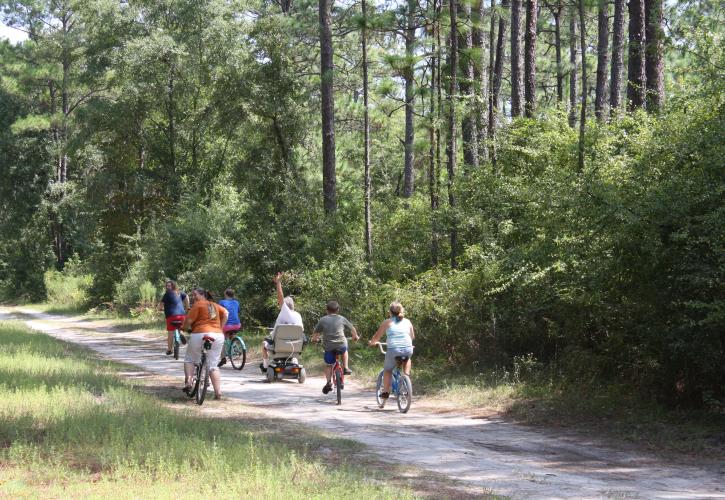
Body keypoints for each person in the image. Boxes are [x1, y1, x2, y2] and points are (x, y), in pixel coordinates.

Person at [182, 287, 228, 400]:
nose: (193, 297)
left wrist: (183, 328)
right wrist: (220, 328)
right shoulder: (214, 305)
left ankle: (189, 382)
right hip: (217, 335)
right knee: (213, 365)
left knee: (190, 359)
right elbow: (226, 313)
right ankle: (218, 393)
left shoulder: (198, 305)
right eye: (192, 295)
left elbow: (188, 321)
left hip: (200, 333)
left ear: (202, 295)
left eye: (195, 295)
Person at [368, 301, 415, 404]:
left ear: (390, 312)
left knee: (388, 370)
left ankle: (385, 391)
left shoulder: (387, 322)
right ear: (401, 310)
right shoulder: (407, 321)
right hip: (408, 348)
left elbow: (377, 337)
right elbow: (412, 337)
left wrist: (372, 343)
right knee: (407, 358)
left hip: (393, 349)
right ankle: (406, 378)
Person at [312, 300, 359, 394]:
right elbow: (352, 328)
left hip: (328, 346)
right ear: (338, 310)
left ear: (327, 310)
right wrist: (355, 337)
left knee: (328, 364)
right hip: (341, 344)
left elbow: (315, 333)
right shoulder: (341, 318)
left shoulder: (323, 320)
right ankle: (345, 367)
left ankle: (328, 382)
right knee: (344, 349)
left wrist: (314, 339)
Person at [260, 272, 304, 372]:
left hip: (279, 346)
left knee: (264, 343)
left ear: (285, 306)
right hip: (295, 347)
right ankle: (294, 359)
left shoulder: (286, 312)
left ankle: (265, 367)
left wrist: (278, 282)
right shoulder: (298, 315)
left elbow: (280, 297)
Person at [158, 280, 190, 355]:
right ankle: (181, 333)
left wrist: (161, 309)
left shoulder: (166, 295)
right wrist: (187, 307)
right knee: (180, 327)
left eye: (169, 285)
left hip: (171, 316)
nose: (168, 287)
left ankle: (169, 350)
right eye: (167, 286)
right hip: (181, 315)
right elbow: (186, 296)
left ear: (173, 286)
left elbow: (160, 306)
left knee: (170, 332)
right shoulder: (180, 293)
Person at [218, 288, 242, 367]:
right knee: (232, 334)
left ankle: (223, 358)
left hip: (227, 325)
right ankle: (236, 347)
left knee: (222, 339)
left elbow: (219, 313)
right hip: (237, 324)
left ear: (225, 294)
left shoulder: (222, 302)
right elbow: (237, 311)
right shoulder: (236, 302)